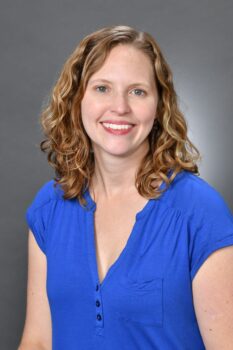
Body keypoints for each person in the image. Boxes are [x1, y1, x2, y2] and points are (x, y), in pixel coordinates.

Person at [18, 25, 233, 350]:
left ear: (160, 106)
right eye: (102, 88)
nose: (120, 107)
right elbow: (37, 341)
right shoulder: (49, 207)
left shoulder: (200, 212)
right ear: (78, 99)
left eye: (137, 91)